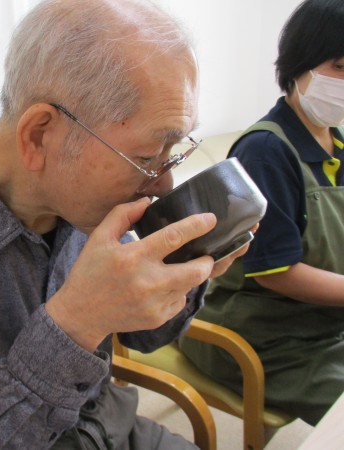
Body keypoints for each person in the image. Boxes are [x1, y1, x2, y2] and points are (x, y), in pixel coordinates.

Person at [0, 1, 247, 448]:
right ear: (39, 135)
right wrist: (76, 322)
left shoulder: (90, 203)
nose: (163, 182)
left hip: (113, 426)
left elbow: (147, 335)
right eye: (148, 156)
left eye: (175, 149)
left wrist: (185, 269)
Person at [180, 0, 344, 427]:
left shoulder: (337, 141)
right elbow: (276, 272)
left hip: (323, 323)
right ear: (300, 63)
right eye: (341, 66)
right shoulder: (266, 151)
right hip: (265, 338)